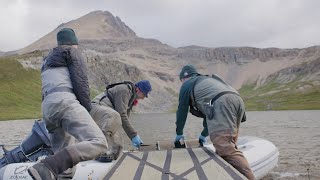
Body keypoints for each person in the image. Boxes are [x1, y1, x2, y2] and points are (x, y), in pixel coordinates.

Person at [28, 28, 108, 180]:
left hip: (48, 108)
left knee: (64, 168)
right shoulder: (71, 52)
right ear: (73, 42)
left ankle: (52, 169)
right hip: (65, 102)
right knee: (99, 143)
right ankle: (46, 166)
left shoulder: (47, 61)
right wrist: (87, 111)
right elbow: (81, 83)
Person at [174, 65, 255, 180]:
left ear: (184, 78)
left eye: (181, 81)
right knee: (230, 144)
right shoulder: (207, 81)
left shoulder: (187, 84)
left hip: (223, 103)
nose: (182, 83)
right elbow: (210, 115)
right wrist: (203, 135)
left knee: (226, 150)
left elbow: (182, 110)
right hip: (236, 98)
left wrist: (179, 133)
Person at [90, 80, 152, 160]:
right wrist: (133, 135)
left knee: (118, 147)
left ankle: (106, 157)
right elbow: (121, 115)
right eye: (144, 95)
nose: (143, 98)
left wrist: (132, 137)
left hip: (108, 115)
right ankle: (98, 151)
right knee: (114, 116)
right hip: (96, 108)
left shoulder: (131, 97)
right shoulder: (124, 90)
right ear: (139, 90)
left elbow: (124, 119)